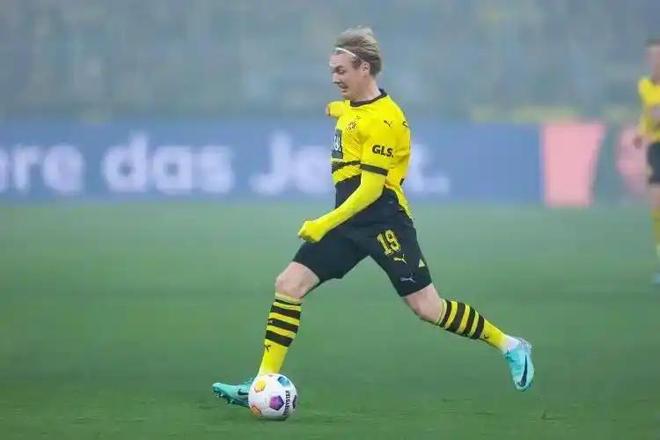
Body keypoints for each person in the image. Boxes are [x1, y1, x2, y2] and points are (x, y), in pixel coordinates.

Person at [212, 27, 534, 407]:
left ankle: (510, 345)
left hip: (384, 221)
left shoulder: (384, 120)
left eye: (341, 71)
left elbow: (370, 191)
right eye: (332, 71)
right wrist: (335, 110)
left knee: (427, 308)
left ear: (364, 68)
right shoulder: (353, 106)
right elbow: (349, 115)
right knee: (289, 284)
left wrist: (323, 223)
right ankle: (262, 382)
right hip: (350, 222)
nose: (334, 79)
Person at [633, 38, 660, 283]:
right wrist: (640, 132)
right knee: (656, 206)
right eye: (652, 56)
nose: (656, 61)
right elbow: (647, 117)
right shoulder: (644, 85)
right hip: (655, 148)